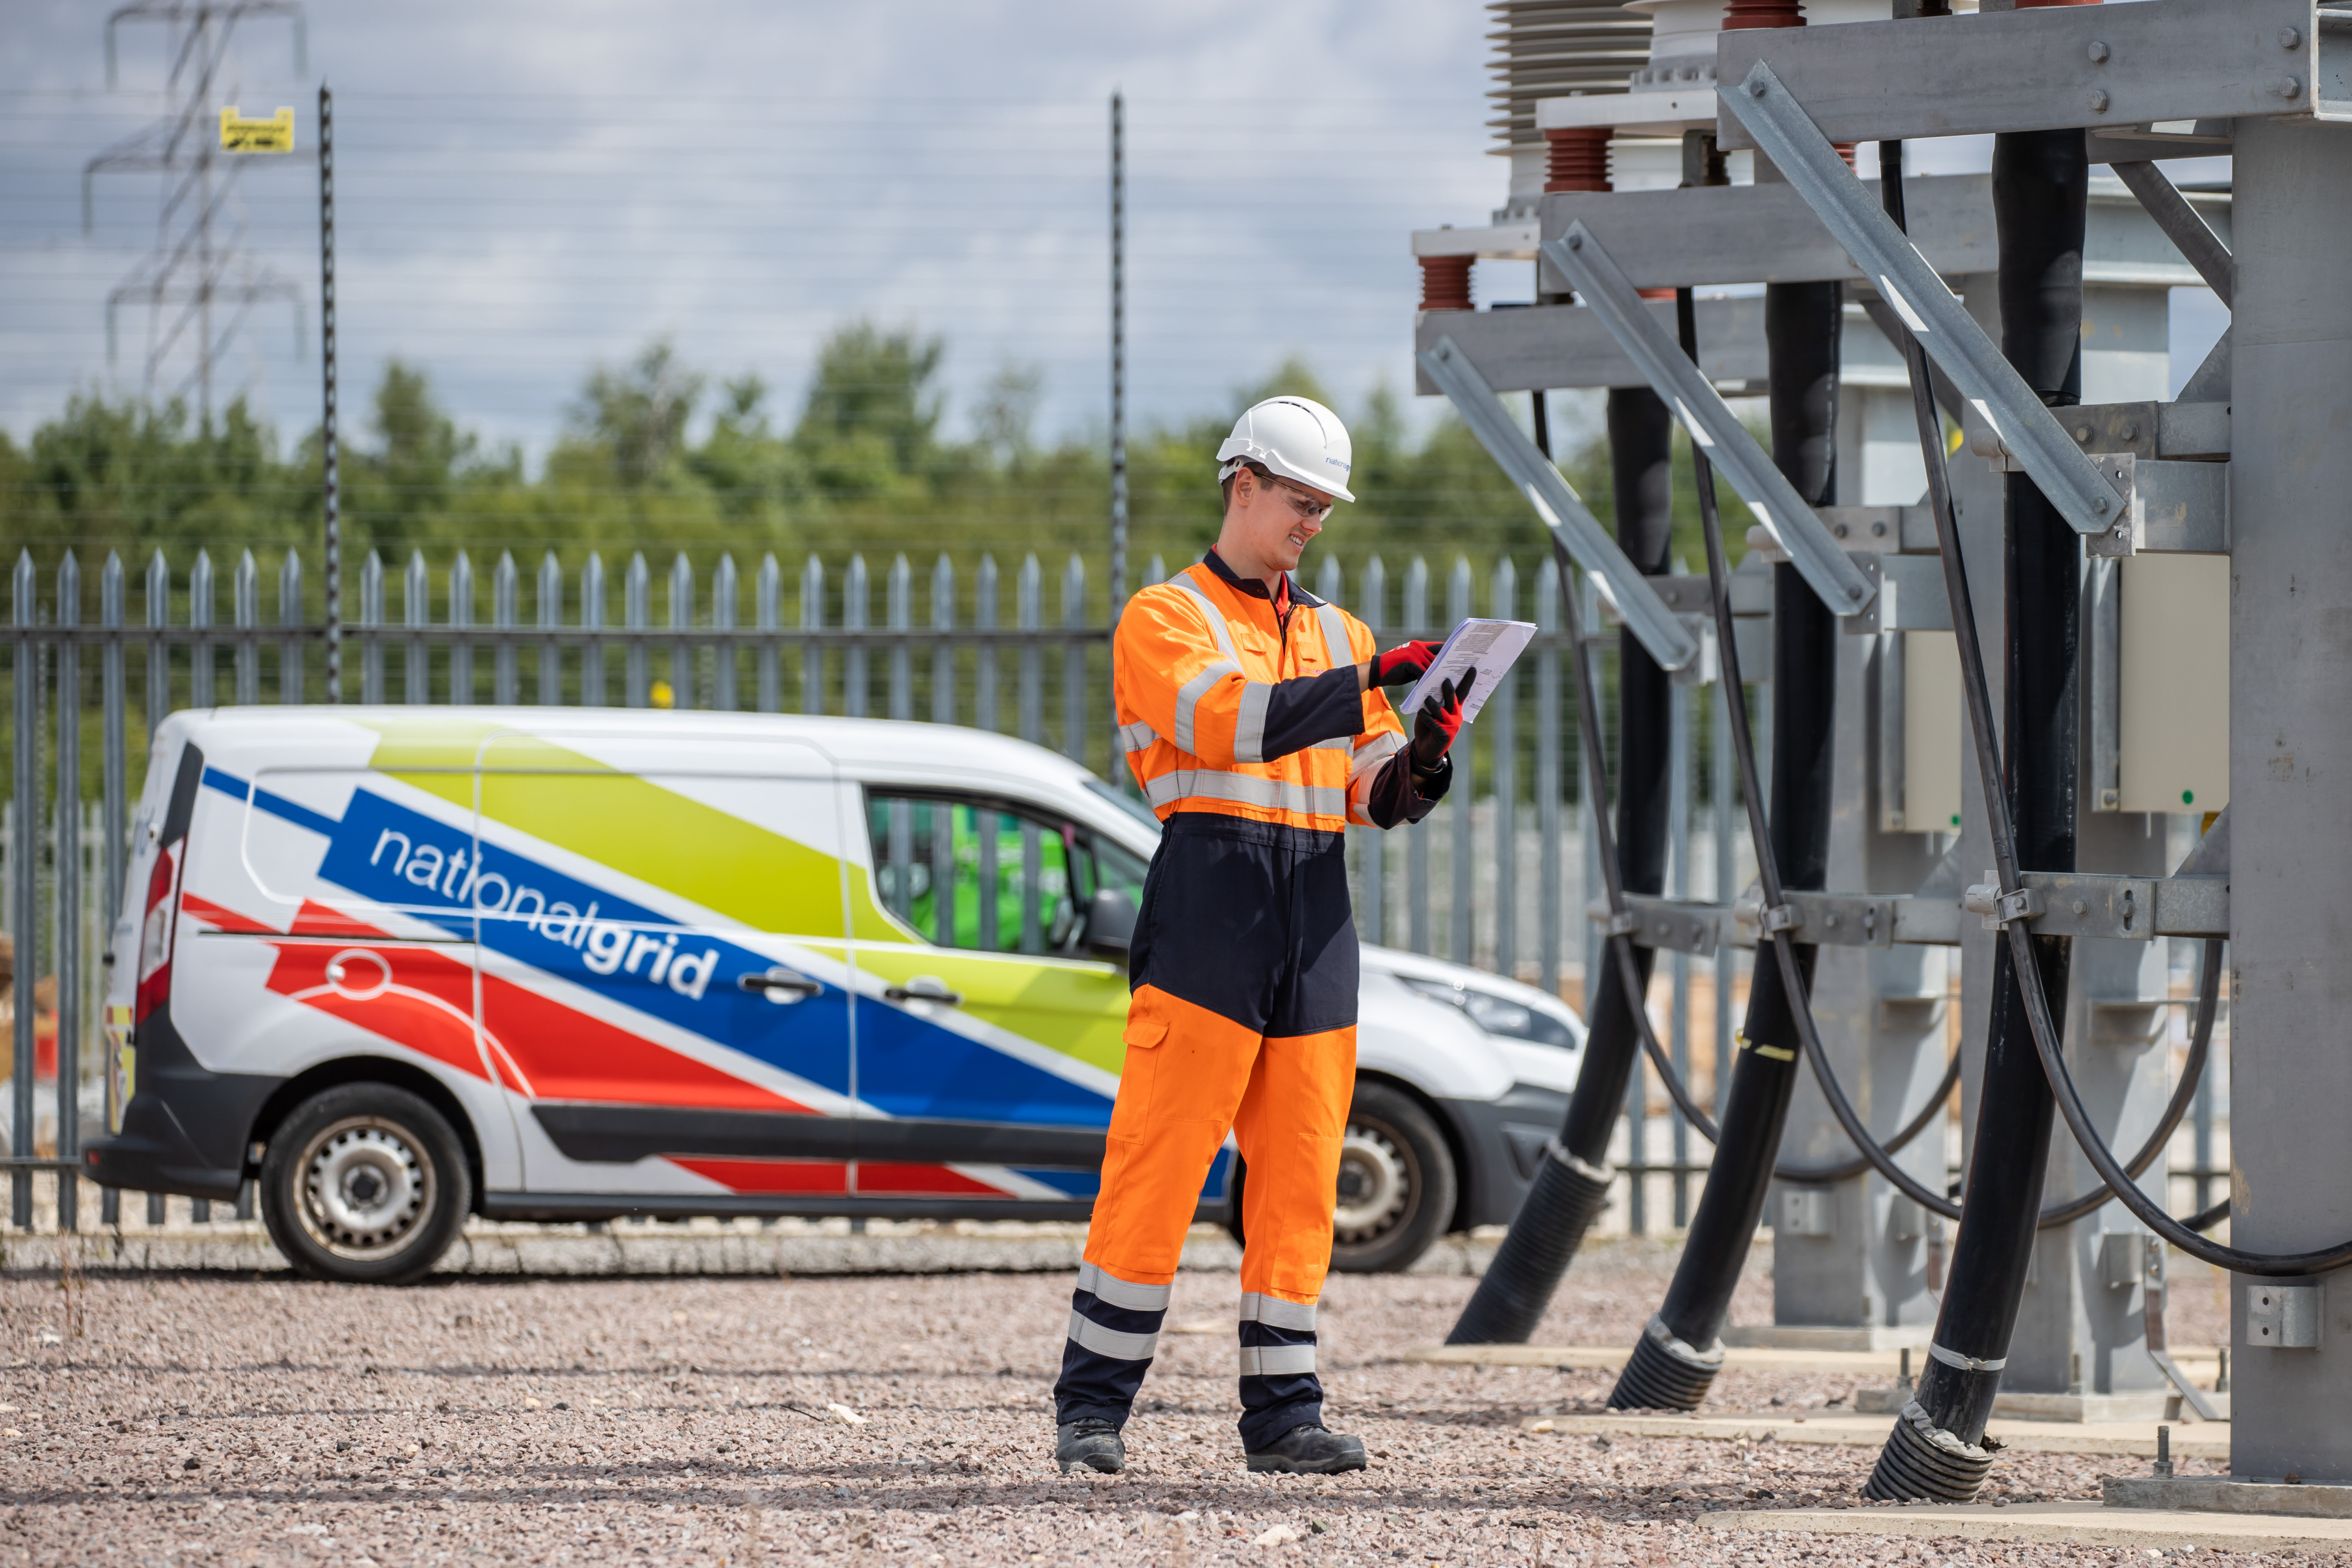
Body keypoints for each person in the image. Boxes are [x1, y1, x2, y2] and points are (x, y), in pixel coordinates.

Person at [1052, 395, 1476, 1476]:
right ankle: (1092, 1409)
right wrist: (1370, 681)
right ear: (1243, 485)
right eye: (1301, 502)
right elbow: (1231, 720)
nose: (1314, 524)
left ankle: (1285, 1417)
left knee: (1301, 1175)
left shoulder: (1341, 632)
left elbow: (1369, 795)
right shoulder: (1165, 616)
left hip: (1315, 908)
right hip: (1212, 900)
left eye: (1326, 508)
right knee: (1159, 1163)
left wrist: (1426, 752)